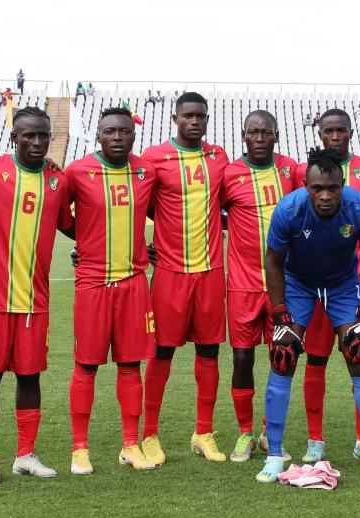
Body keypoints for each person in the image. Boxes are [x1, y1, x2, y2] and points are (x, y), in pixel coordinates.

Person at [257, 147, 360, 483]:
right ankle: (275, 455)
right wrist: (280, 313)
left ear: (342, 184)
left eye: (332, 188)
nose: (325, 195)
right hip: (298, 284)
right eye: (317, 188)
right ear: (306, 186)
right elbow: (273, 262)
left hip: (343, 285)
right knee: (283, 353)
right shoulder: (288, 210)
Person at [0, 107, 74, 485]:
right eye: (29, 136)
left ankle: (25, 454)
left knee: (30, 378)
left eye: (43, 136)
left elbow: (77, 226)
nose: (38, 143)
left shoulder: (58, 181)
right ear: (14, 137)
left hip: (34, 301)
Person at [64, 107, 158, 474]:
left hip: (134, 283)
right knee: (86, 366)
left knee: (131, 365)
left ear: (133, 136)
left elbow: (163, 210)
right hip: (93, 283)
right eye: (109, 131)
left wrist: (149, 245)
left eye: (124, 131)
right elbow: (61, 216)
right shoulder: (78, 172)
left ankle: (130, 445)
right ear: (98, 135)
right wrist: (84, 241)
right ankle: (79, 448)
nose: (117, 137)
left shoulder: (145, 171)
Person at [140, 92, 230, 464]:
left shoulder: (218, 156)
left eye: (201, 116)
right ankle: (148, 435)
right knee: (161, 352)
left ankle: (203, 433)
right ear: (175, 118)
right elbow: (138, 203)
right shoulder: (153, 158)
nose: (195, 121)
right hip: (170, 273)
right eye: (188, 116)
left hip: (209, 270)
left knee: (209, 351)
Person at [292, 108, 360, 462]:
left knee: (359, 356)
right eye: (328, 130)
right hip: (313, 285)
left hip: (353, 285)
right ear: (319, 134)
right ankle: (315, 439)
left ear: (350, 132)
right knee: (314, 360)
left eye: (340, 130)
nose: (334, 136)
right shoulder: (305, 173)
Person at [221, 109, 299, 462]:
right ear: (243, 136)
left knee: (282, 357)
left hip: (284, 284)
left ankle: (271, 430)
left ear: (276, 135)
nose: (260, 138)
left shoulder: (291, 170)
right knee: (242, 358)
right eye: (253, 132)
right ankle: (244, 433)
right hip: (242, 284)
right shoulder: (229, 174)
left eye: (266, 132)